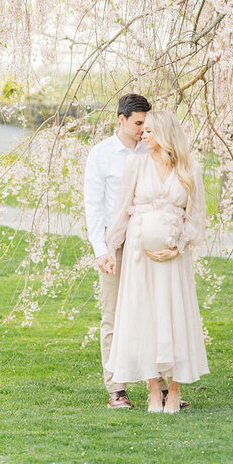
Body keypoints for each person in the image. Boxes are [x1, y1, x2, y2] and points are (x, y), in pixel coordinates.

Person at [105, 109, 209, 413]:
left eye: (149, 131)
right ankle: (153, 388)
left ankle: (174, 389)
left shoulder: (189, 168)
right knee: (144, 316)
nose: (143, 135)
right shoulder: (137, 164)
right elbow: (122, 209)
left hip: (173, 259)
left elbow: (196, 215)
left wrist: (177, 247)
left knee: (174, 316)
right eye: (142, 129)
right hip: (141, 259)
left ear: (164, 133)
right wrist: (110, 249)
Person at [83, 92, 155, 409]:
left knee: (154, 314)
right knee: (113, 316)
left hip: (149, 242)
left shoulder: (151, 150)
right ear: (121, 120)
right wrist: (101, 250)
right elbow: (93, 206)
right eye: (138, 123)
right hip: (116, 245)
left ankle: (162, 388)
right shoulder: (101, 155)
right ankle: (116, 389)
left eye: (146, 123)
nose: (142, 129)